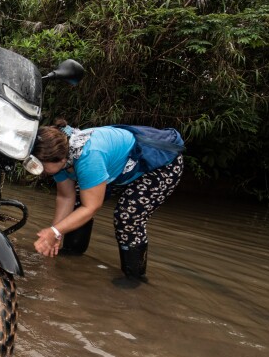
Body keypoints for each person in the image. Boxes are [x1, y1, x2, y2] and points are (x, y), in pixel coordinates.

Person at [31, 119, 184, 285]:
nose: (39, 169)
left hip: (161, 165)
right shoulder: (62, 159)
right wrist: (55, 236)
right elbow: (65, 197)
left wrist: (54, 231)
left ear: (60, 159)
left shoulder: (89, 156)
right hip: (122, 168)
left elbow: (92, 207)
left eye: (41, 164)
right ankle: (72, 254)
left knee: (127, 217)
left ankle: (135, 278)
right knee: (78, 199)